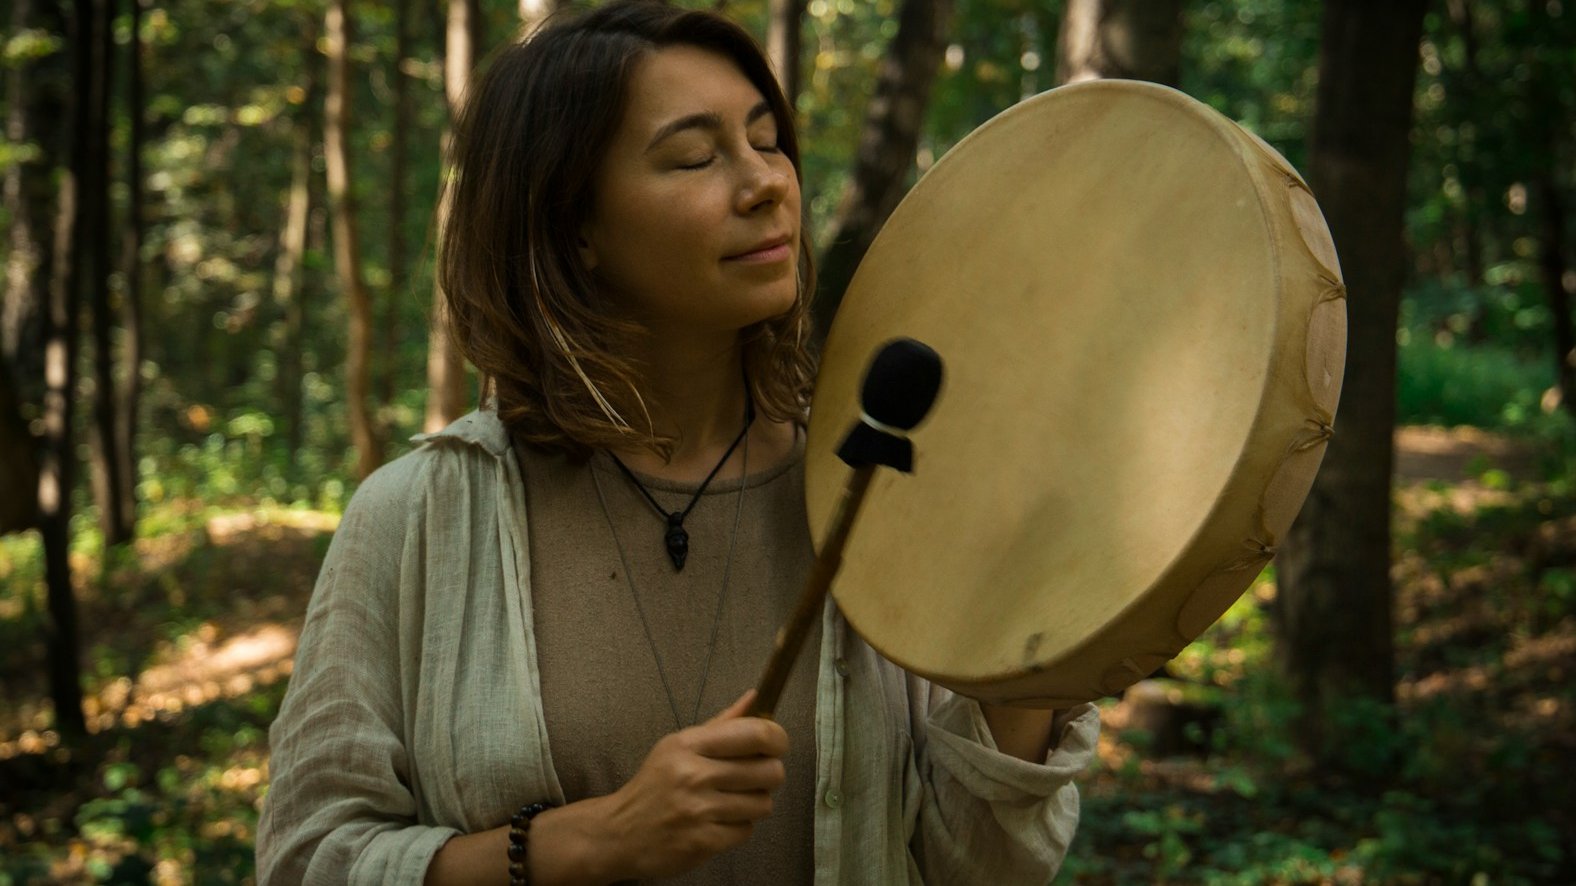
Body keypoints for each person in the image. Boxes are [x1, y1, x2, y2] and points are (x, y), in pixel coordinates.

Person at [255, 2, 1099, 884]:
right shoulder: (419, 520)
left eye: (768, 142)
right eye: (695, 156)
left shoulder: (876, 492)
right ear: (573, 225)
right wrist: (592, 841)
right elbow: (310, 858)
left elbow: (978, 867)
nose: (765, 183)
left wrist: (1031, 657)